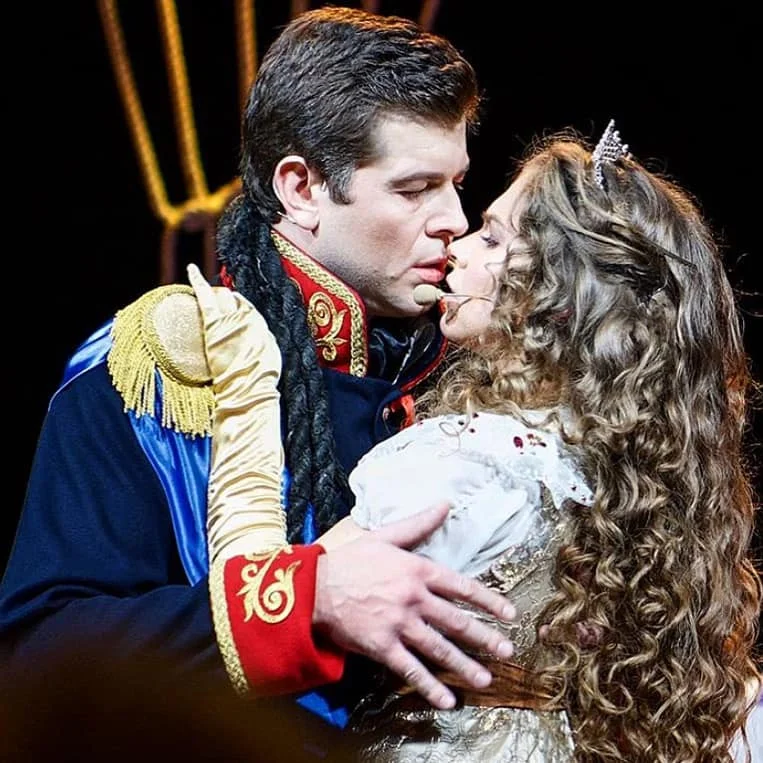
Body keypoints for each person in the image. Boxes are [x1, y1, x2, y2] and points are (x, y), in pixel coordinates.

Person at [0, 5, 517, 740]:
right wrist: (307, 602)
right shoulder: (163, 363)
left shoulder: (478, 368)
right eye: (413, 189)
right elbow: (37, 658)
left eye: (456, 183)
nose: (454, 220)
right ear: (301, 188)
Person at [313, 123, 762, 760]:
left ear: (559, 298)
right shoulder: (625, 465)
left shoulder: (464, 460)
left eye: (492, 237)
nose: (458, 249)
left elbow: (296, 597)